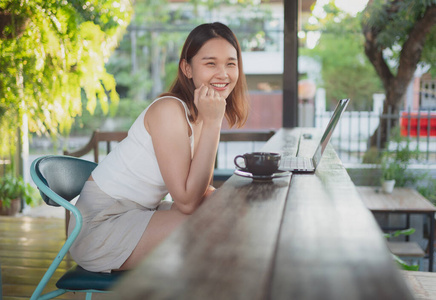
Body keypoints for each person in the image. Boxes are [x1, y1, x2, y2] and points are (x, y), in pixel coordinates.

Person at [68, 22, 249, 273]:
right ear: (187, 68)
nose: (223, 74)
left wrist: (226, 201)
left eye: (231, 63)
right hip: (101, 228)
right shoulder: (169, 110)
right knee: (213, 226)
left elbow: (195, 188)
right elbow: (186, 203)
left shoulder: (197, 115)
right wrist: (214, 123)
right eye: (210, 63)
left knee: (231, 215)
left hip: (138, 214)